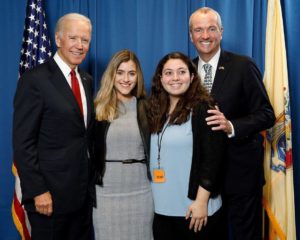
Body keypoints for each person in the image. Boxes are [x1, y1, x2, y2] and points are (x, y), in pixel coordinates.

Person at [189, 7, 276, 240]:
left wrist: (231, 126)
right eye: (198, 30)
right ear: (191, 35)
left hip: (239, 174)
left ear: (221, 32)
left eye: (211, 29)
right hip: (202, 179)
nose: (205, 35)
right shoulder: (184, 71)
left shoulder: (243, 66)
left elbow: (266, 114)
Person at [13, 13, 94, 240]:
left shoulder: (86, 80)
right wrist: (38, 190)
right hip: (48, 199)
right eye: (73, 38)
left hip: (80, 198)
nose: (80, 45)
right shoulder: (34, 80)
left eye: (85, 40)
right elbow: (23, 143)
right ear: (58, 40)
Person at [148, 52, 226, 240]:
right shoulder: (155, 109)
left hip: (193, 210)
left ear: (192, 77)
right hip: (162, 209)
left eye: (181, 72)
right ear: (160, 78)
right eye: (168, 73)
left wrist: (201, 202)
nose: (175, 78)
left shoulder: (204, 107)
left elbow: (213, 158)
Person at [93, 49, 153, 240]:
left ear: (138, 77)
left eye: (131, 73)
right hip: (106, 192)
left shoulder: (148, 107)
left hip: (142, 192)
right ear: (112, 75)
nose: (126, 79)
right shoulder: (97, 109)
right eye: (120, 73)